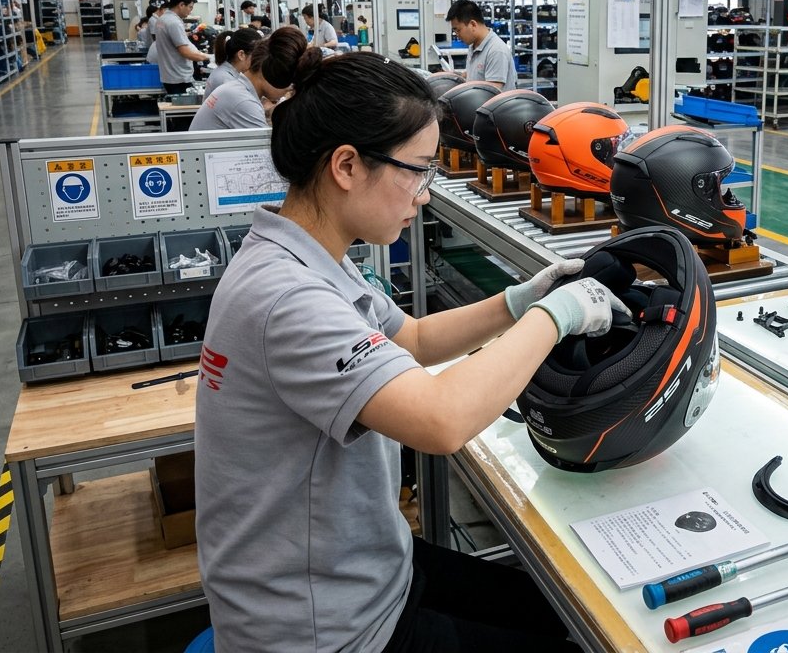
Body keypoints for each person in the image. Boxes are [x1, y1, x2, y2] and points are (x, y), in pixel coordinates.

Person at [195, 51, 621, 651]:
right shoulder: (285, 297)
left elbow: (414, 340)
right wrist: (559, 316)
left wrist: (519, 302)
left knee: (566, 615)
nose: (424, 195)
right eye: (418, 170)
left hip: (366, 569)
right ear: (346, 165)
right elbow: (440, 421)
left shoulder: (310, 256)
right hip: (324, 628)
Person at [190, 26, 306, 131]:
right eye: (288, 82)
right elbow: (268, 150)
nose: (288, 89)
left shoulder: (237, 88)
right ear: (269, 72)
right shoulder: (243, 100)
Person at [446, 0, 517, 91]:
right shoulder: (474, 46)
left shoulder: (496, 50)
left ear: (473, 24)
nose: (457, 35)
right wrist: (453, 77)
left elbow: (491, 91)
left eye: (458, 30)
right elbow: (475, 75)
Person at [147, 0, 207, 94]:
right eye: (190, 7)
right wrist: (208, 57)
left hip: (170, 75)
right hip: (179, 77)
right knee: (185, 109)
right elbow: (185, 52)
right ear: (181, 5)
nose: (190, 11)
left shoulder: (163, 19)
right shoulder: (174, 22)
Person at [204, 27, 260, 100]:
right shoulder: (226, 80)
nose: (259, 60)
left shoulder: (226, 73)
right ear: (241, 55)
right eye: (256, 55)